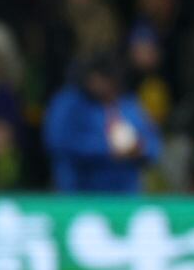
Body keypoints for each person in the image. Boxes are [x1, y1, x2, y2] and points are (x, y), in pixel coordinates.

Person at [44, 53, 161, 193]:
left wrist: (139, 149)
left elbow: (154, 145)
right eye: (100, 79)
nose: (104, 86)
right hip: (79, 195)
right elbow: (57, 142)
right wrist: (106, 149)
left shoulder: (129, 105)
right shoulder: (68, 103)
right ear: (89, 77)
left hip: (125, 197)